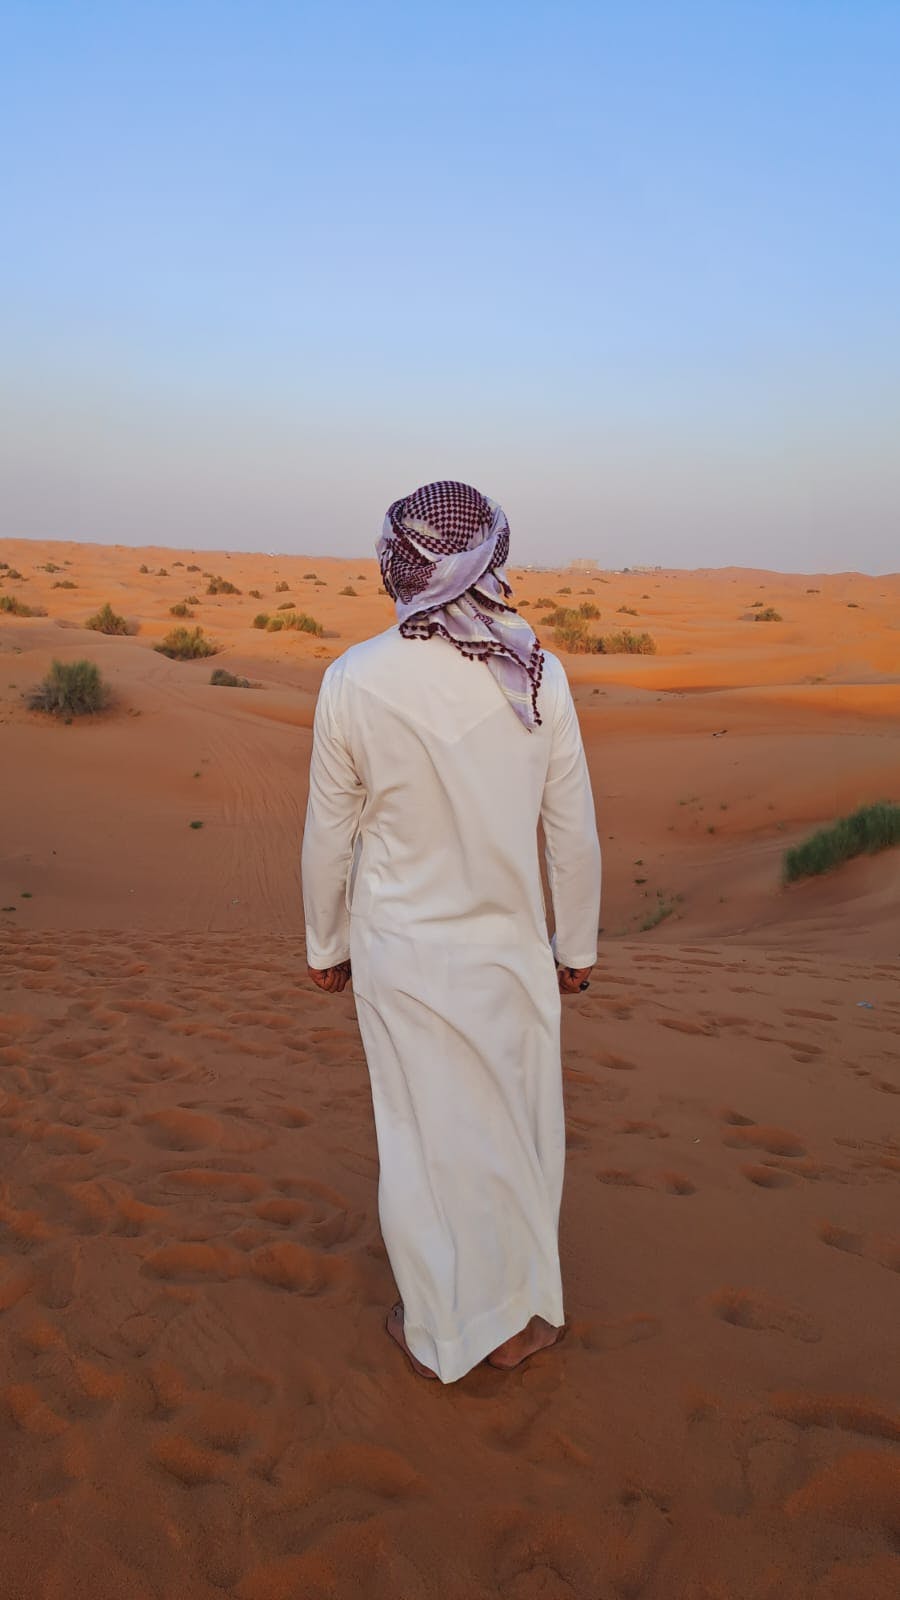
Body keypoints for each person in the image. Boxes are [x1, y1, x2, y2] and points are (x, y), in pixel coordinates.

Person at [301, 480, 601, 1383]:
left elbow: (329, 835)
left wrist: (326, 946)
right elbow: (572, 831)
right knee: (515, 1129)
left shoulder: (354, 679)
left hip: (402, 954)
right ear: (489, 557)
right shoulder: (538, 675)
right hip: (508, 951)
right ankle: (517, 1323)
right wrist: (575, 949)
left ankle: (439, 1324)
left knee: (423, 1136)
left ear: (396, 563)